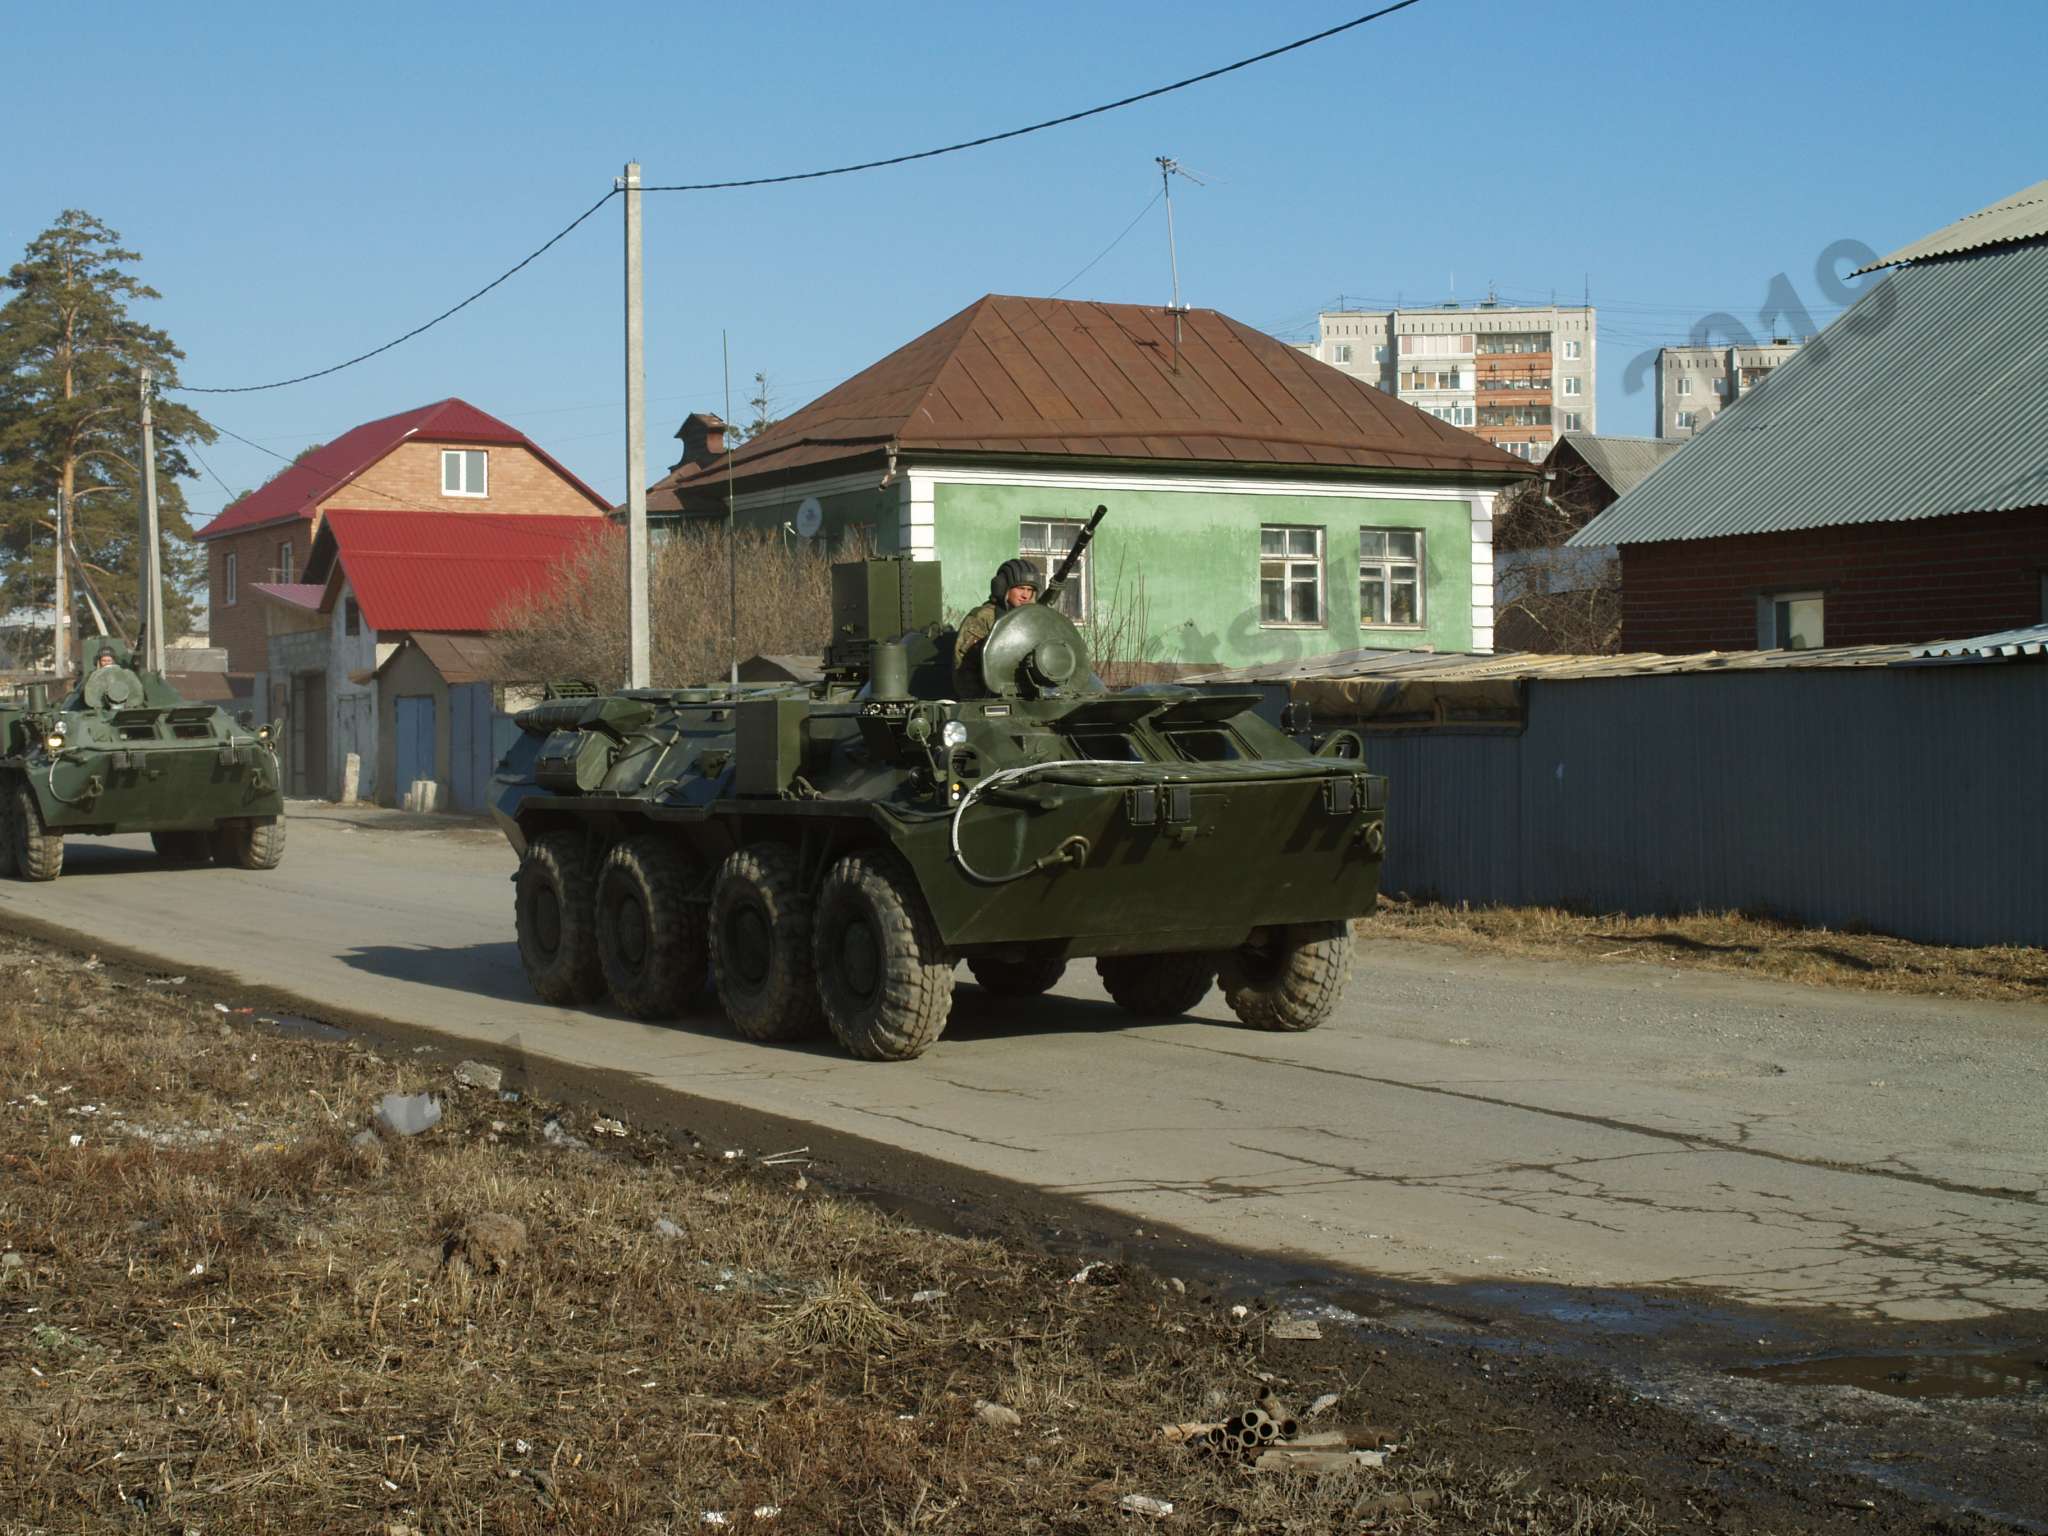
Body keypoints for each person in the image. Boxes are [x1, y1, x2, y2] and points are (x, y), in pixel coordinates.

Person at [952, 558, 1040, 695]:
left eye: (1030, 590)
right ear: (1003, 588)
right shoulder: (983, 618)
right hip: (990, 695)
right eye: (1021, 588)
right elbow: (963, 666)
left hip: (1031, 694)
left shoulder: (1036, 618)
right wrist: (978, 701)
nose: (1026, 595)